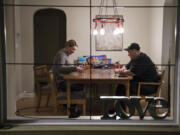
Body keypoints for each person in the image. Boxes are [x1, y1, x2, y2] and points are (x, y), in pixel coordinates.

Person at [53, 39, 84, 118]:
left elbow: (68, 66)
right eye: (73, 49)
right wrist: (75, 68)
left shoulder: (67, 54)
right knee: (81, 86)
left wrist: (76, 66)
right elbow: (61, 68)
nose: (74, 51)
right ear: (67, 47)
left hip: (66, 79)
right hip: (61, 82)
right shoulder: (61, 54)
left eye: (75, 50)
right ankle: (72, 108)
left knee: (81, 85)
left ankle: (71, 107)